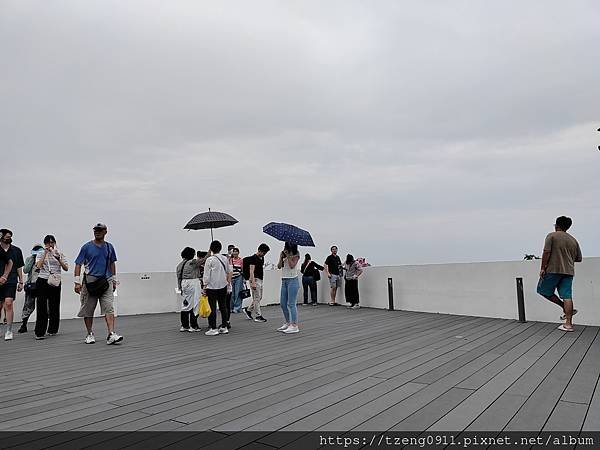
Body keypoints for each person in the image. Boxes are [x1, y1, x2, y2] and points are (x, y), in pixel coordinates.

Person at [74, 223, 123, 345]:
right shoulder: (86, 247)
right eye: (96, 230)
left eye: (100, 230)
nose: (97, 232)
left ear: (105, 232)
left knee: (109, 307)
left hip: (106, 281)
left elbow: (112, 263)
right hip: (90, 282)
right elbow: (78, 264)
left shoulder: (109, 247)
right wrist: (77, 282)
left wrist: (114, 280)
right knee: (88, 309)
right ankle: (90, 334)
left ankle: (111, 334)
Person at [537, 216, 583, 332]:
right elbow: (579, 258)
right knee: (567, 296)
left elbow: (546, 252)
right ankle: (568, 324)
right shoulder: (573, 240)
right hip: (568, 272)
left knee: (542, 290)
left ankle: (563, 307)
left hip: (553, 270)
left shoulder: (551, 236)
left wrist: (542, 268)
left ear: (556, 225)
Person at [34, 235, 69, 339]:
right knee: (41, 306)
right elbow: (38, 266)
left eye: (52, 242)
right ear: (45, 244)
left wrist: (58, 259)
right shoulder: (40, 253)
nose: (50, 245)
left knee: (54, 305)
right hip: (42, 280)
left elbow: (66, 268)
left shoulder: (59, 253)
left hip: (55, 280)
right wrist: (45, 252)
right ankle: (40, 332)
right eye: (48, 243)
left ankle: (53, 329)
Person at [202, 240, 232, 336]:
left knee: (212, 307)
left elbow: (206, 275)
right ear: (220, 248)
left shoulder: (209, 260)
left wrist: (204, 287)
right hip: (223, 285)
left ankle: (213, 328)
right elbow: (228, 271)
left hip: (212, 287)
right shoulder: (224, 258)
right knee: (223, 307)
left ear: (211, 249)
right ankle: (224, 327)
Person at [0, 229, 24, 341]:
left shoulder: (16, 250)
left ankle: (9, 330)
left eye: (10, 236)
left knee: (8, 303)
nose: (8, 238)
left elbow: (19, 266)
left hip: (11, 280)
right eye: (7, 236)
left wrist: (21, 281)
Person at [18, 245, 43, 333]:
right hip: (31, 285)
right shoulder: (29, 259)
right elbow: (25, 270)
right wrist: (32, 259)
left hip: (41, 285)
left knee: (42, 306)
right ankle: (24, 324)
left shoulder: (44, 259)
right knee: (28, 305)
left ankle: (40, 325)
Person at [277, 242, 301, 334]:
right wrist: (281, 257)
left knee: (291, 304)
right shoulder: (283, 253)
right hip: (284, 280)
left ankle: (294, 325)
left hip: (293, 280)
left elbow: (292, 266)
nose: (285, 247)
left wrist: (288, 255)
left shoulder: (296, 253)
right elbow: (279, 266)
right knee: (283, 303)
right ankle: (287, 323)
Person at [176, 247, 202, 332]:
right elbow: (202, 261)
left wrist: (180, 288)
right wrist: (209, 252)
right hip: (193, 282)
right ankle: (193, 325)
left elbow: (179, 278)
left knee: (186, 304)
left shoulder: (179, 265)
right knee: (195, 304)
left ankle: (184, 325)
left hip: (184, 283)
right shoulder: (192, 262)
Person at [243, 243, 270, 323]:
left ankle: (248, 310)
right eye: (263, 252)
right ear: (259, 250)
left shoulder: (262, 258)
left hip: (260, 279)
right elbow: (251, 271)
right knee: (257, 298)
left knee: (259, 297)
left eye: (265, 253)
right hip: (255, 279)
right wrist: (253, 282)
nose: (264, 254)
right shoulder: (253, 258)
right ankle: (258, 315)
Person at [229, 247, 244, 313]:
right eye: (234, 251)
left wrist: (244, 279)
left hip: (238, 277)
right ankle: (231, 307)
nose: (235, 253)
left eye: (236, 251)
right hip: (231, 278)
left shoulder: (241, 260)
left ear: (238, 252)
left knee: (238, 292)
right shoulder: (230, 260)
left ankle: (237, 308)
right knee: (232, 294)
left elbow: (242, 270)